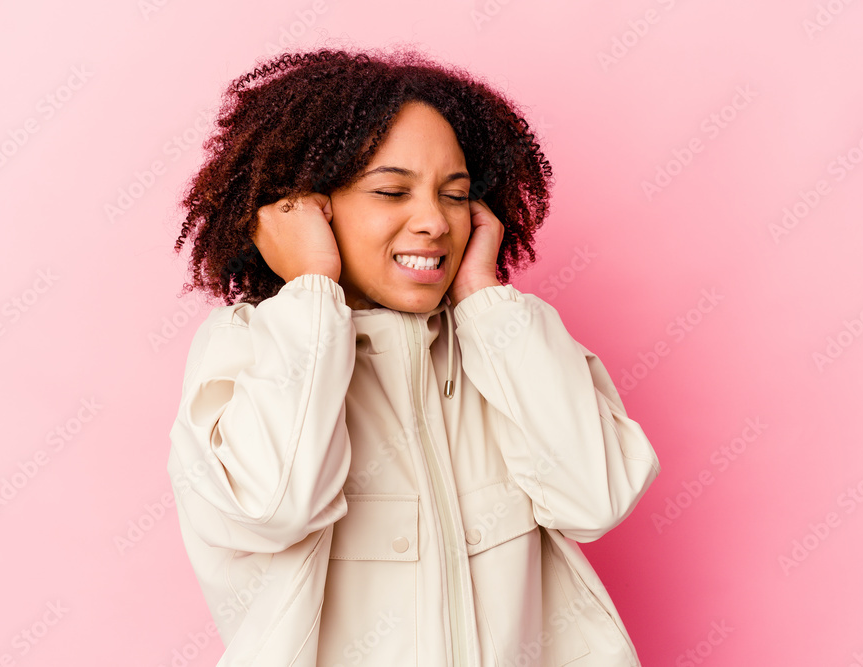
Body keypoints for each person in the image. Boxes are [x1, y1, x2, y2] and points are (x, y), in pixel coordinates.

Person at [167, 45, 661, 667]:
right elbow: (275, 506)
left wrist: (485, 298)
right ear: (309, 208)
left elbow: (597, 497)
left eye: (454, 195)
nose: (433, 220)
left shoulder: (503, 348)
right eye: (392, 191)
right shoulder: (245, 351)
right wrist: (313, 288)